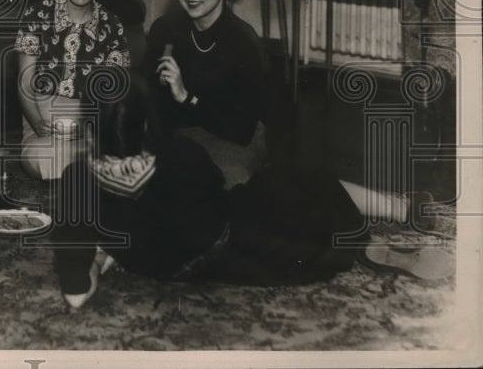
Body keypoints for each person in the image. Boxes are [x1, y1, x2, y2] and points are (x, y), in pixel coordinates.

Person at [51, 77, 454, 310]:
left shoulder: (74, 183)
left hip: (171, 268)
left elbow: (76, 296)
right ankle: (395, 215)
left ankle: (368, 236)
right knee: (301, 183)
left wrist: (100, 254)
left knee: (289, 202)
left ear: (88, 131)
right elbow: (217, 193)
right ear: (144, 127)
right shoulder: (179, 155)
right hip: (234, 241)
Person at [141, 0, 269, 187]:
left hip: (232, 137)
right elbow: (152, 100)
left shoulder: (244, 41)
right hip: (179, 133)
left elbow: (241, 129)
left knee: (209, 185)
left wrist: (185, 97)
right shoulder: (164, 29)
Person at [15, 0, 130, 180]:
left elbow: (116, 93)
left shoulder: (112, 25)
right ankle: (89, 169)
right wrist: (37, 124)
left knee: (122, 151)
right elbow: (24, 84)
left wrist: (90, 126)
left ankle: (87, 167)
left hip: (91, 124)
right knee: (43, 159)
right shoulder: (36, 14)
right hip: (42, 120)